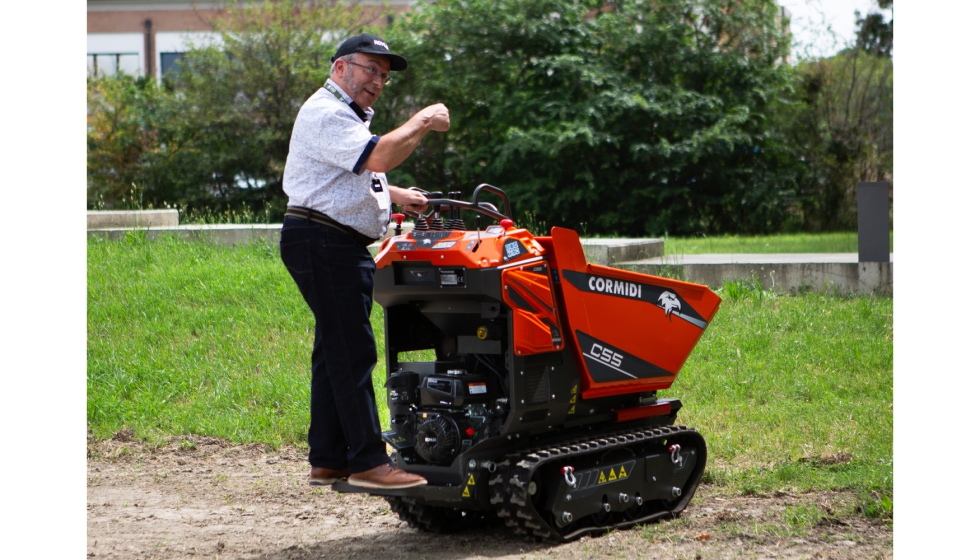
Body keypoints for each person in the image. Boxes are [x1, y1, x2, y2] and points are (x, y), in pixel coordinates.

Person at [279, 33, 450, 489]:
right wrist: (424, 119)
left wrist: (394, 196)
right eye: (370, 69)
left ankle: (329, 457)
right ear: (340, 68)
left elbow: (339, 175)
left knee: (332, 350)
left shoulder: (343, 113)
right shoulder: (327, 111)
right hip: (325, 241)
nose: (377, 80)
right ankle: (369, 463)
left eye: (384, 75)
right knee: (353, 350)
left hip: (327, 239)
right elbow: (378, 155)